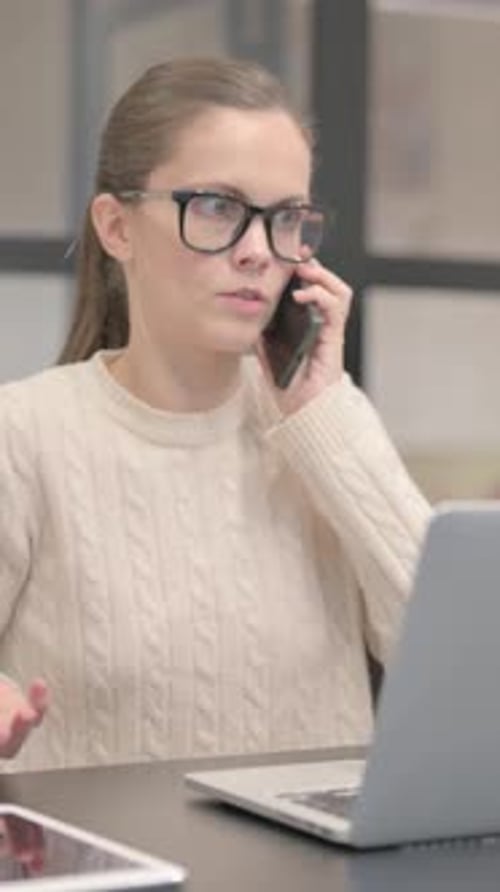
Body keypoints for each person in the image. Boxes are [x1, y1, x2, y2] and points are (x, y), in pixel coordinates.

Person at [0, 57, 430, 772]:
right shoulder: (25, 434)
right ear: (117, 227)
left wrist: (324, 416)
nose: (261, 253)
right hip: (116, 879)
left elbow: (466, 662)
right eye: (218, 209)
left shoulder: (322, 434)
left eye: (287, 219)